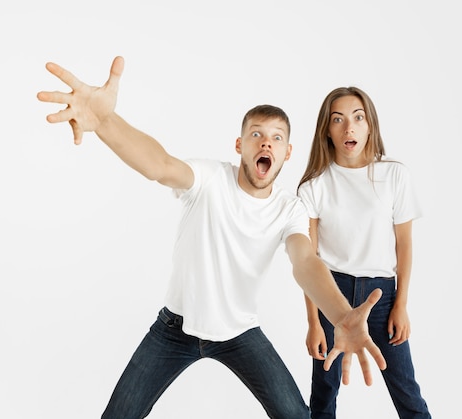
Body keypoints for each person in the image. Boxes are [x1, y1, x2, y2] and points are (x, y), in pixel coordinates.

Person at [37, 57, 388, 419]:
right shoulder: (209, 179)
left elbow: (305, 261)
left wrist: (341, 315)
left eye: (276, 138)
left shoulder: (289, 209)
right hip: (174, 329)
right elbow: (159, 164)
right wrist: (106, 121)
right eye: (256, 135)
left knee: (296, 415)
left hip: (240, 332)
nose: (266, 143)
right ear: (239, 145)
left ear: (287, 153)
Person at [297, 86, 432, 418]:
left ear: (369, 124)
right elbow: (308, 260)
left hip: (382, 296)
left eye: (358, 118)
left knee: (406, 391)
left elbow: (404, 245)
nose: (349, 128)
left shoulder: (394, 175)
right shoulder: (314, 186)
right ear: (326, 131)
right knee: (324, 393)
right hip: (332, 293)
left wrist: (401, 304)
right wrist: (313, 321)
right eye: (338, 120)